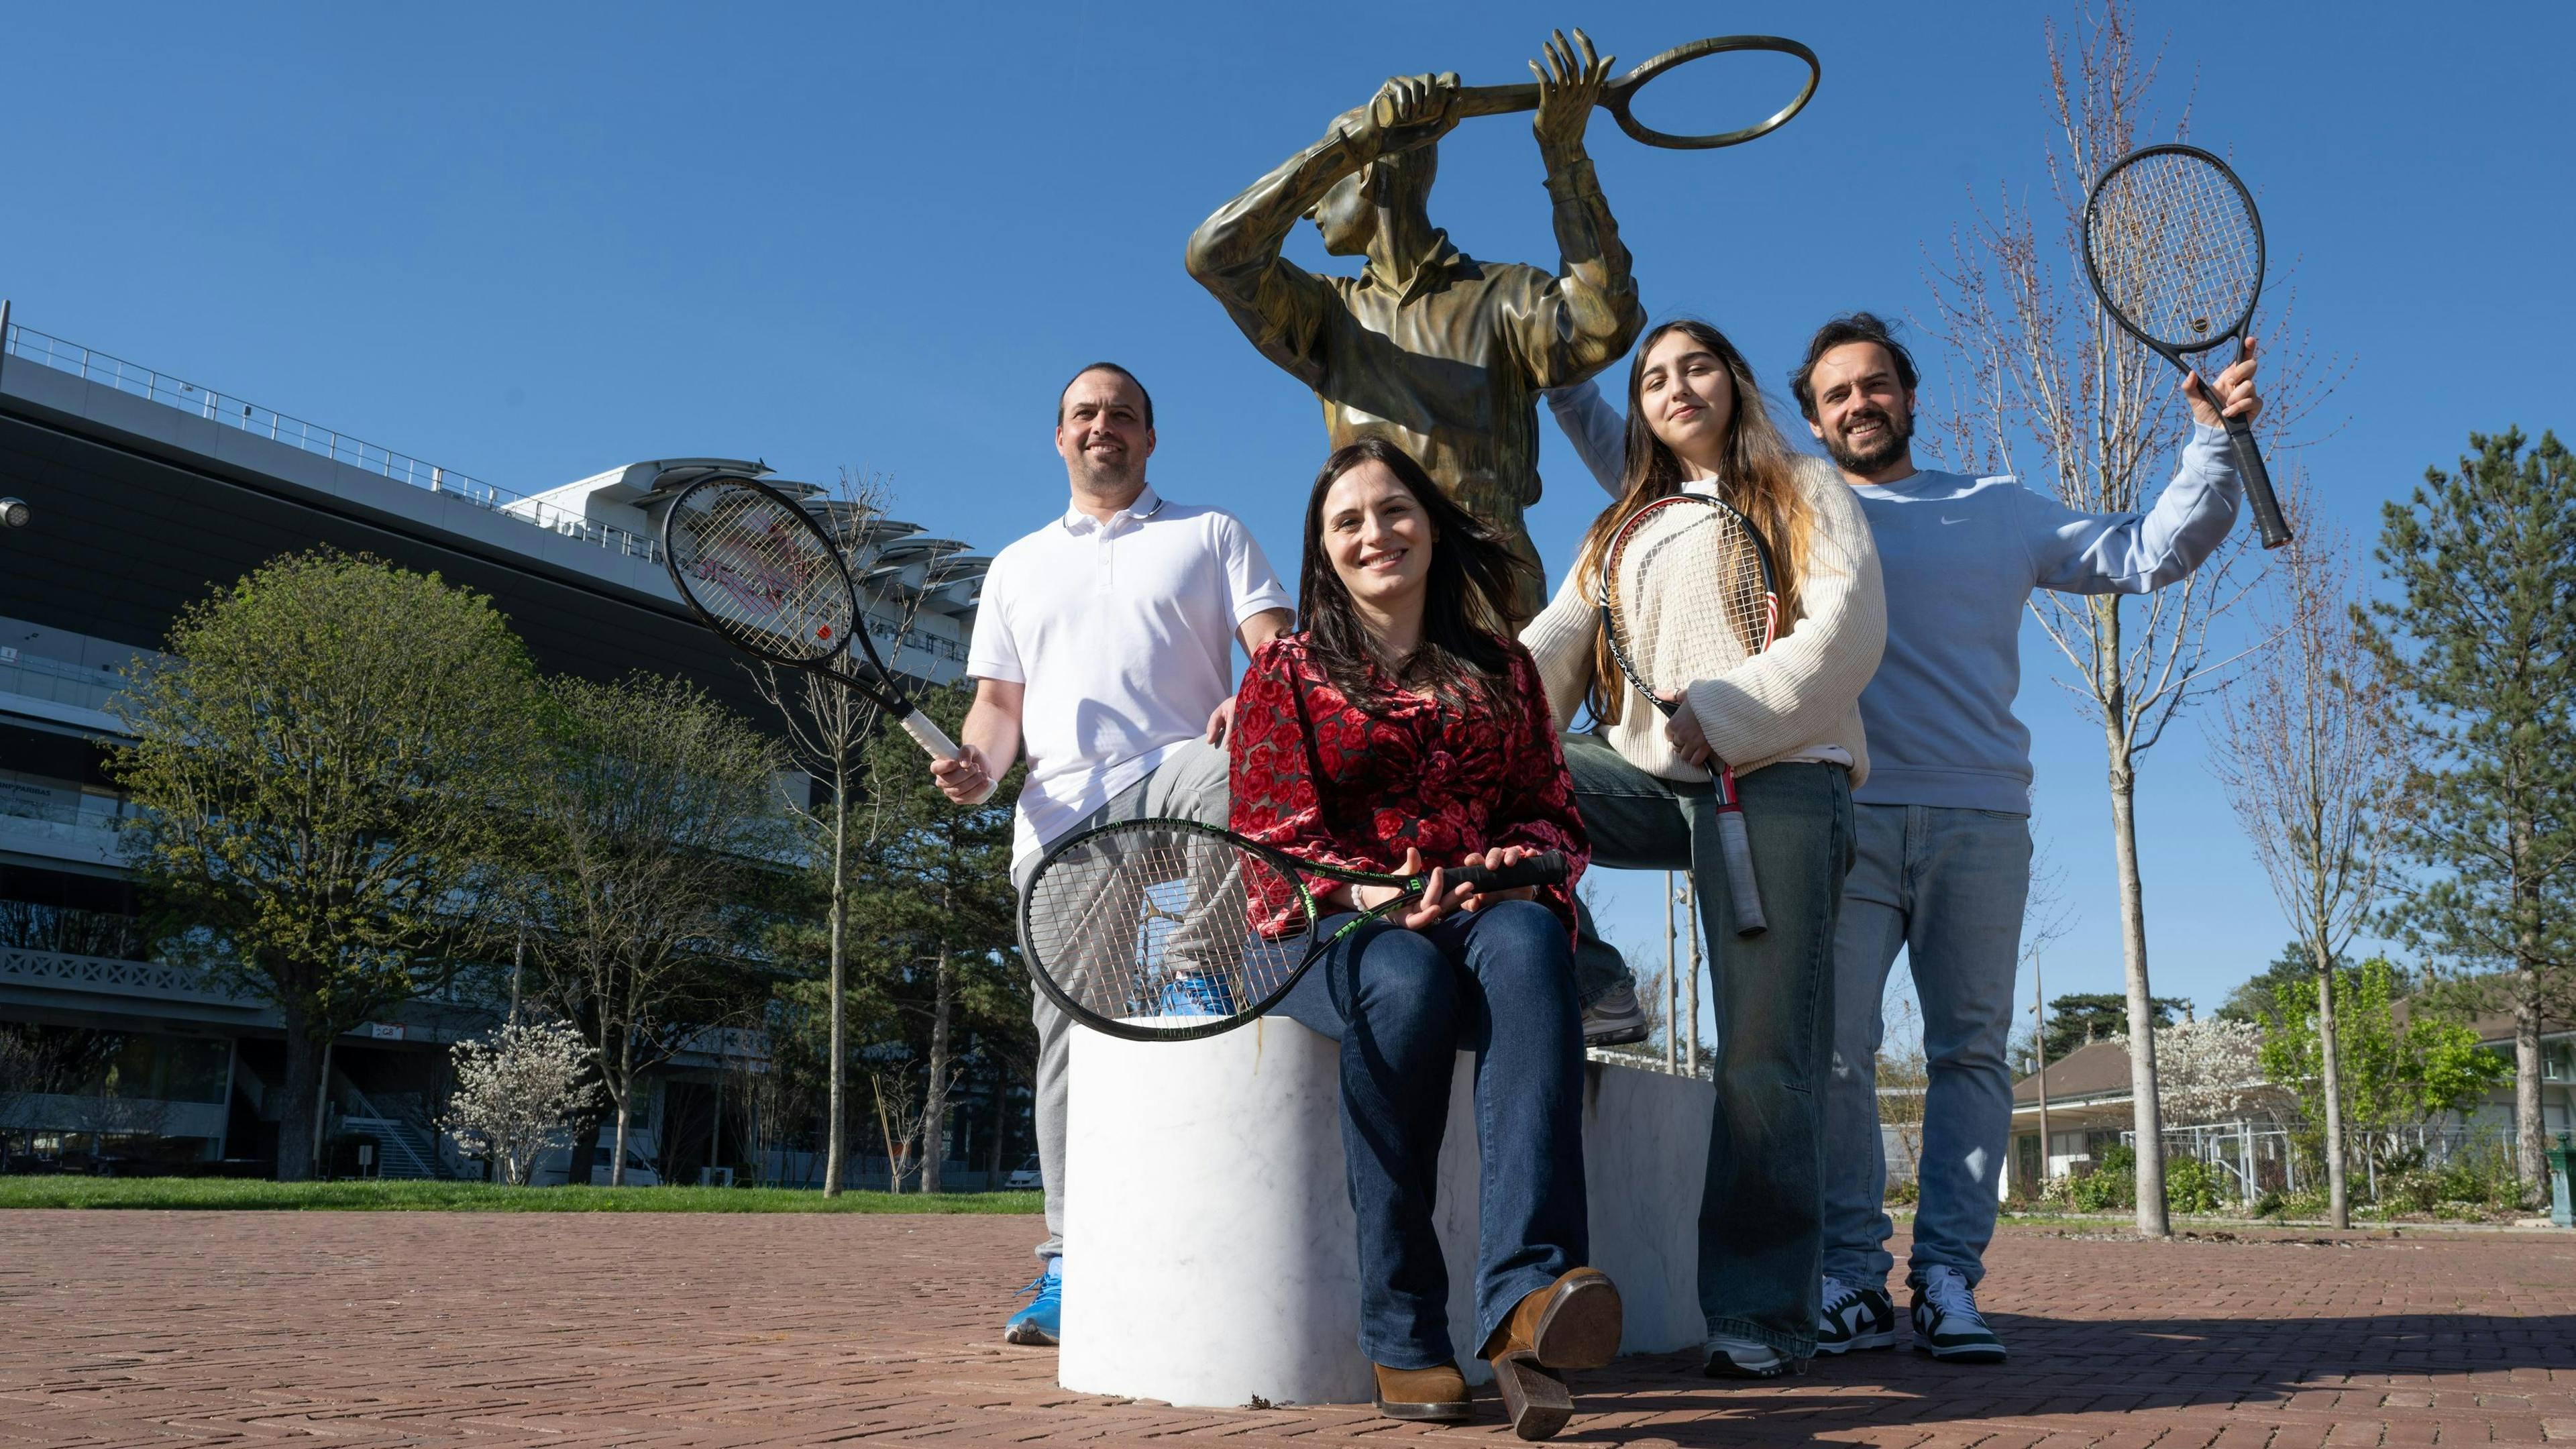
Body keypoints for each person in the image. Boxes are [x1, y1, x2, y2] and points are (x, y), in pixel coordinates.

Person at [1547, 311, 2260, 1364]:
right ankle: (1845, 1274)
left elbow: (2149, 551)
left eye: (1874, 386)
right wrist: (1560, 375)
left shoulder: (1995, 507)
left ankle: (1946, 1280)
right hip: (1837, 808)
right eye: (1834, 394)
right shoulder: (1770, 499)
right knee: (1827, 1052)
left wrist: (2213, 440)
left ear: (1910, 395)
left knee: (1970, 1050)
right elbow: (1649, 458)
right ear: (1804, 413)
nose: (1857, 406)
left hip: (1980, 814)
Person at [1521, 319, 1885, 1379]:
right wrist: (1469, 719)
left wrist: (1731, 710)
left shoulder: (1803, 487)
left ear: (1732, 382)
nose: (1676, 386)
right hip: (1650, 777)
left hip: (1780, 774)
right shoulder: (1621, 527)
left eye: (1697, 367)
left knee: (1766, 1062)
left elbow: (1848, 630)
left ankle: (1762, 1316)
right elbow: (1553, 642)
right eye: (1652, 377)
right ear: (1638, 406)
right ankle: (1596, 975)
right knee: (1499, 793)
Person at [1232, 437, 1616, 1441]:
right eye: (1348, 521)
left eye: (1394, 511)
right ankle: (1404, 1332)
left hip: (1479, 918)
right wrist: (1373, 892)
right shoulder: (1287, 669)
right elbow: (1272, 844)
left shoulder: (1504, 669)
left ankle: (1529, 1303)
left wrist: (1508, 867)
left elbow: (1554, 820)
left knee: (1535, 943)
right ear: (1323, 551)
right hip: (1327, 930)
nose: (1376, 533)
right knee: (1402, 979)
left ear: (1432, 527)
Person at [936, 361, 1293, 1348]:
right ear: (1059, 438)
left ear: (1149, 439)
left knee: (1229, 777)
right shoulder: (1013, 566)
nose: (1104, 427)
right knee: (1068, 1046)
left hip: (1174, 778)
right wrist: (980, 768)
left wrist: (1252, 694)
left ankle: (1193, 970)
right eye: (1086, 415)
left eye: (1123, 415)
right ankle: (1068, 1266)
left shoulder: (1210, 532)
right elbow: (999, 711)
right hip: (1059, 826)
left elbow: (1278, 650)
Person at [1183, 30, 1646, 625]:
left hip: (1492, 612)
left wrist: (1564, 158)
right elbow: (1214, 256)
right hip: (1372, 621)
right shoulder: (1330, 314)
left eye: (1330, 185)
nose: (1308, 208)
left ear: (1371, 180)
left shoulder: (1506, 297)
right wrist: (1352, 144)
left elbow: (1605, 322)